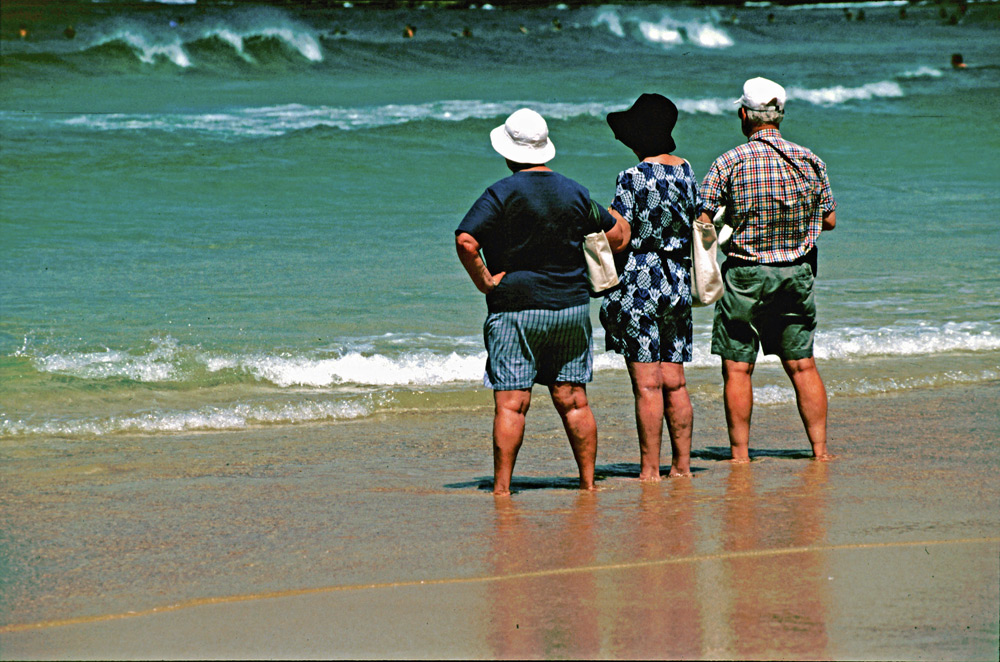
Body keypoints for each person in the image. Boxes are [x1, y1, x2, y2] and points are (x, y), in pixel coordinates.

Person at [455, 108, 630, 496]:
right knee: (573, 402)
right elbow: (617, 237)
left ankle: (502, 489)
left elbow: (466, 240)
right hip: (569, 307)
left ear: (509, 152)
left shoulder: (500, 192)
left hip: (516, 309)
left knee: (512, 404)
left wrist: (485, 281)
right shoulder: (573, 190)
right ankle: (587, 483)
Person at [698, 77, 837, 463]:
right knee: (802, 364)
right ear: (780, 115)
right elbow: (829, 220)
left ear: (744, 114)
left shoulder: (729, 161)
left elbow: (702, 218)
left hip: (745, 273)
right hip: (796, 272)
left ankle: (741, 455)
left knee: (739, 369)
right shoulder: (810, 159)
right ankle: (820, 451)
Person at [600, 93, 700, 481]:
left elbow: (620, 237)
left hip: (641, 279)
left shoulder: (632, 177)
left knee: (646, 383)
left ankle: (648, 470)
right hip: (677, 277)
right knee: (674, 380)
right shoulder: (687, 171)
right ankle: (682, 467)